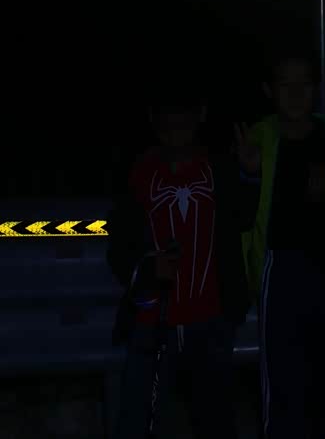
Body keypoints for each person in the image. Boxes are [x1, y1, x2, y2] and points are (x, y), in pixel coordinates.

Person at [106, 96, 261, 438]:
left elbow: (244, 217)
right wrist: (148, 267)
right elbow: (118, 248)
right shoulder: (139, 171)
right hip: (152, 324)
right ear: (153, 118)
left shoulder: (218, 167)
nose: (175, 125)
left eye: (184, 115)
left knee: (216, 422)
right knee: (139, 421)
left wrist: (250, 175)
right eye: (167, 116)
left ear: (200, 114)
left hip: (211, 323)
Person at [241, 52, 325, 439]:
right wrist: (248, 174)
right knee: (282, 375)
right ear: (269, 90)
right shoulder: (258, 138)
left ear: (316, 89)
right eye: (286, 84)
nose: (296, 92)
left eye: (305, 83)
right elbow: (238, 207)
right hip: (278, 269)